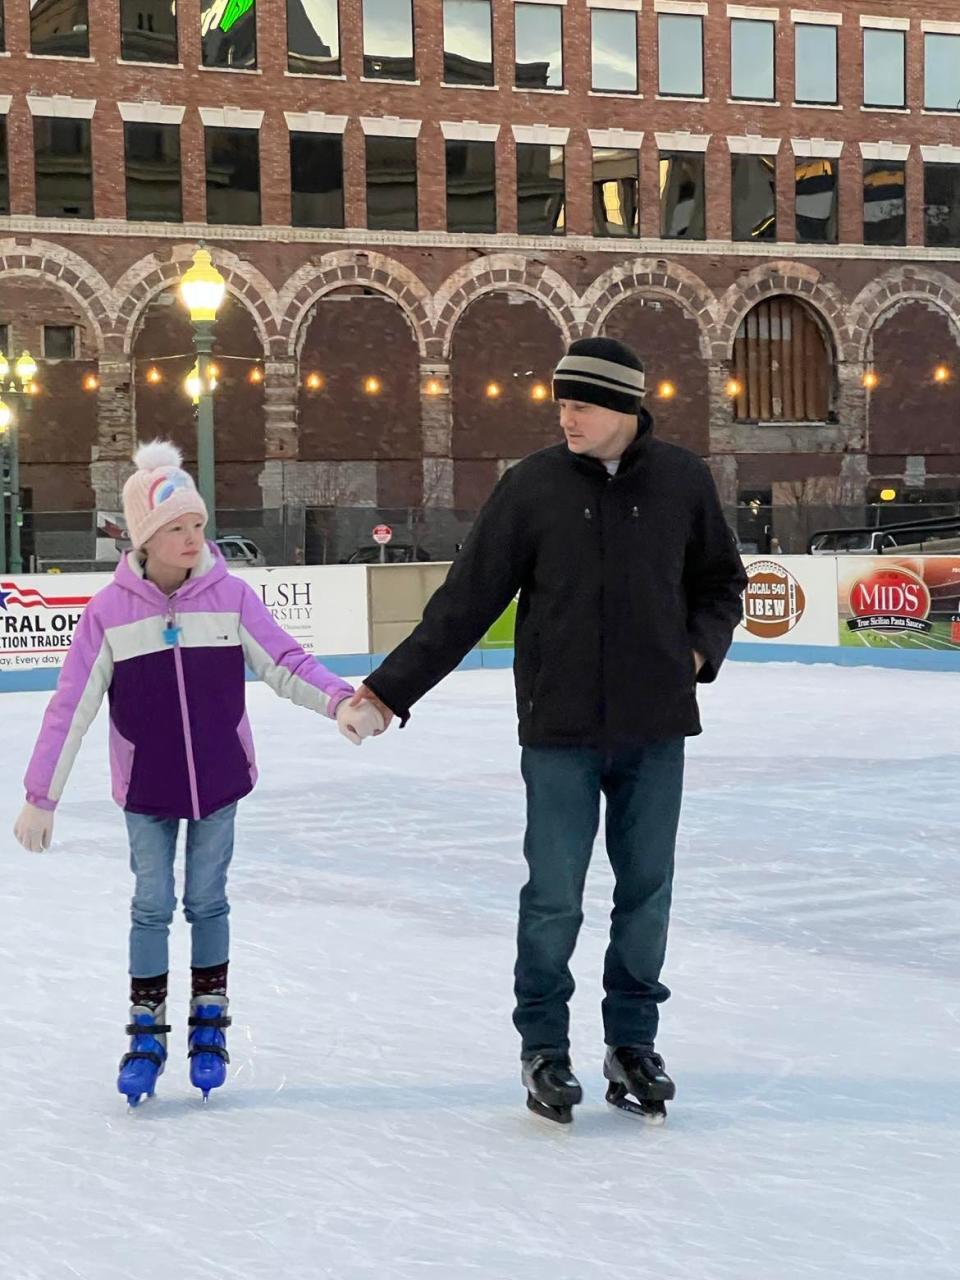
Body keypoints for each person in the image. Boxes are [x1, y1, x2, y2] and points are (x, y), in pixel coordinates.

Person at [350, 337, 746, 1124]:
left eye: (582, 403)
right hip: (559, 729)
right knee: (555, 897)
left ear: (626, 408)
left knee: (646, 895)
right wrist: (389, 692)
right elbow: (465, 603)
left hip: (655, 727)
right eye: (561, 401)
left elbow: (721, 582)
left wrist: (698, 651)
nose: (565, 415)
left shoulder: (683, 482)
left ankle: (633, 1041)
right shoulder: (530, 488)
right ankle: (545, 1049)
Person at [13, 442, 382, 1106]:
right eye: (176, 528)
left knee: (207, 900)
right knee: (151, 905)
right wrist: (42, 796)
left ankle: (209, 1020)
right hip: (146, 788)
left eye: (197, 525)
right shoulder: (109, 614)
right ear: (144, 538)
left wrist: (339, 701)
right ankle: (146, 1030)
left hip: (219, 780)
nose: (192, 538)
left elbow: (285, 661)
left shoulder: (232, 597)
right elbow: (71, 706)